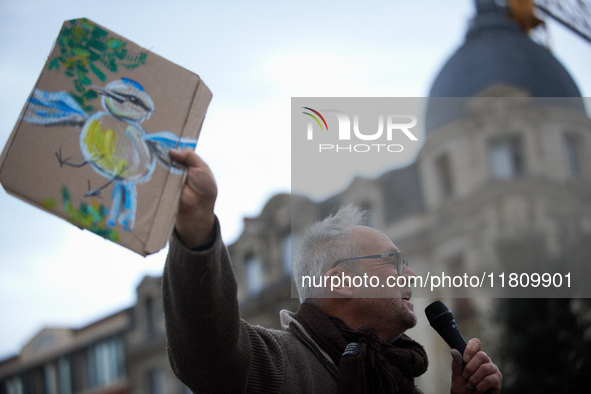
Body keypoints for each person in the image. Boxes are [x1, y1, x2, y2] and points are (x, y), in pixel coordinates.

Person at [163, 149, 503, 393]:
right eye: (394, 262)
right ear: (341, 281)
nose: (411, 277)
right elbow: (209, 351)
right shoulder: (281, 364)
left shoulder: (398, 377)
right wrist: (196, 232)